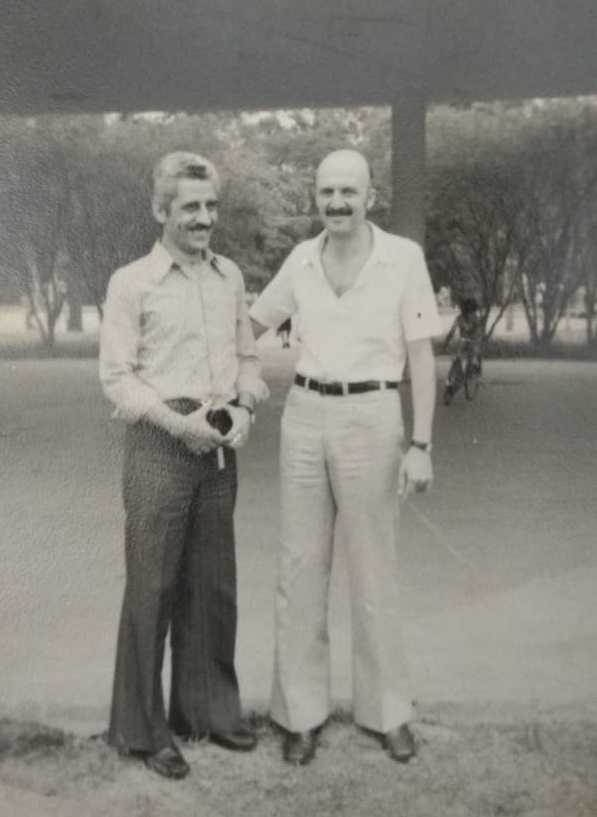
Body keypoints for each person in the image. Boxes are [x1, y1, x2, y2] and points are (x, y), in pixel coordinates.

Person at [249, 149, 442, 766]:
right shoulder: (301, 260)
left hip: (373, 416)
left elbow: (420, 358)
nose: (337, 203)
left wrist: (421, 445)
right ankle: (298, 715)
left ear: (370, 195)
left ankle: (388, 714)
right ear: (316, 196)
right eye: (327, 192)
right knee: (300, 569)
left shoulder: (402, 258)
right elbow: (250, 322)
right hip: (305, 415)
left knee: (373, 571)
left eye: (348, 192)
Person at [99, 152, 268, 780]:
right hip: (158, 446)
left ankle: (208, 714)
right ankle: (140, 732)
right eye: (190, 207)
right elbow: (117, 379)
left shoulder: (229, 278)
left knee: (212, 588)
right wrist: (179, 423)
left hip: (219, 445)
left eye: (210, 206)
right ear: (160, 210)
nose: (204, 218)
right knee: (154, 588)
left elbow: (249, 358)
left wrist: (247, 404)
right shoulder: (131, 282)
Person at [442, 296, 483, 404]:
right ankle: (451, 386)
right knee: (457, 366)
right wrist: (447, 342)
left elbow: (478, 336)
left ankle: (453, 388)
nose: (473, 314)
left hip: (468, 345)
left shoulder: (466, 319)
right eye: (472, 312)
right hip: (465, 345)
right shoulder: (467, 320)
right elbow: (452, 332)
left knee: (468, 364)